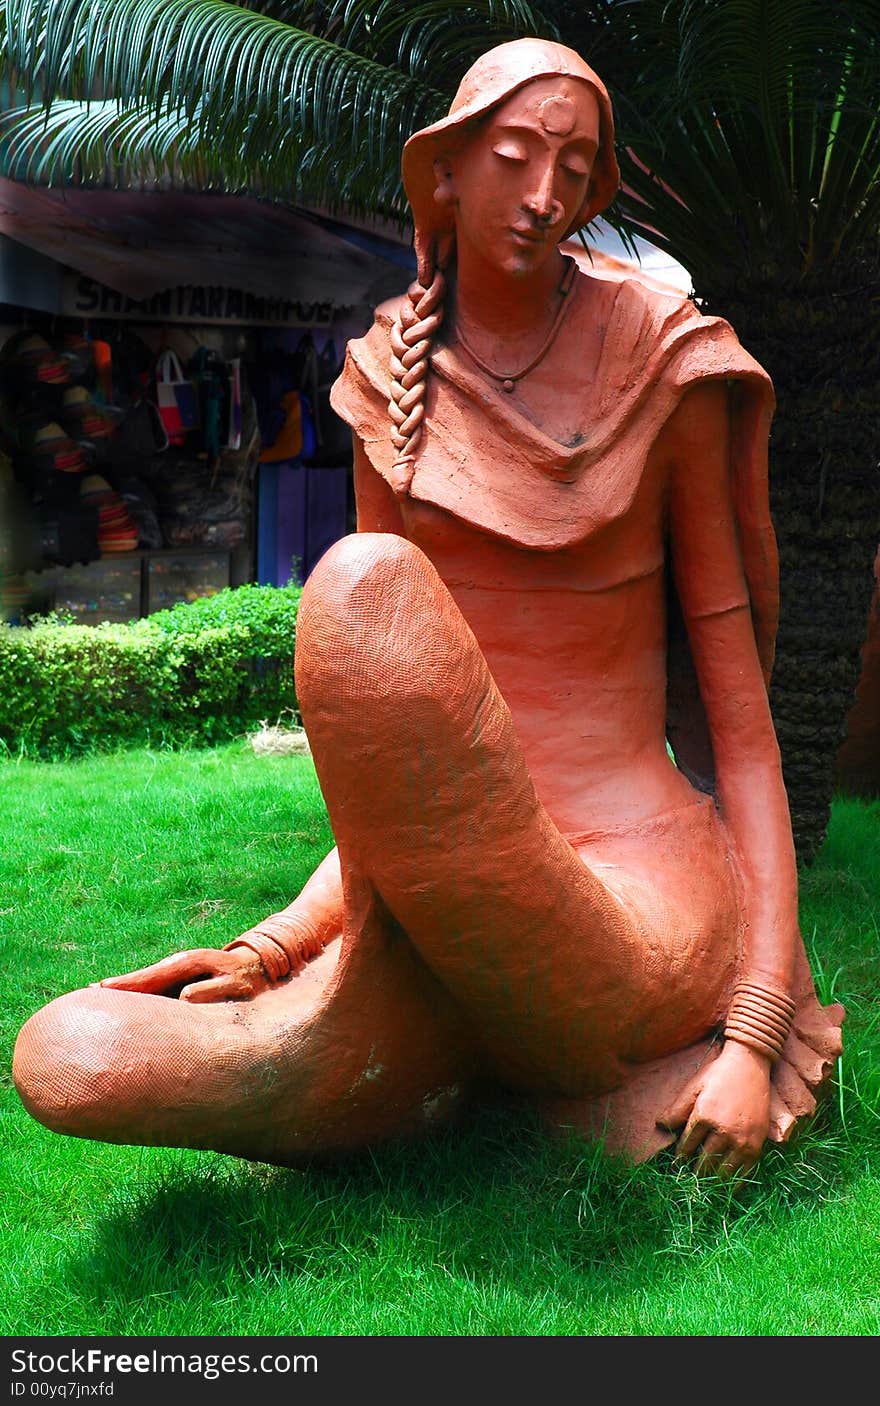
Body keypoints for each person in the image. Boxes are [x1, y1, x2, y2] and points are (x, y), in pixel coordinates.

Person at [14, 38, 843, 1178]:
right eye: (515, 157)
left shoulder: (665, 363)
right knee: (73, 1055)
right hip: (434, 906)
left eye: (575, 169)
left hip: (634, 885)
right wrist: (280, 942)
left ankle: (467, 1061)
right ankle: (498, 1064)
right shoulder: (383, 389)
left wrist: (754, 1030)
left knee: (360, 588)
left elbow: (745, 739)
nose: (546, 197)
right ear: (445, 174)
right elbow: (390, 768)